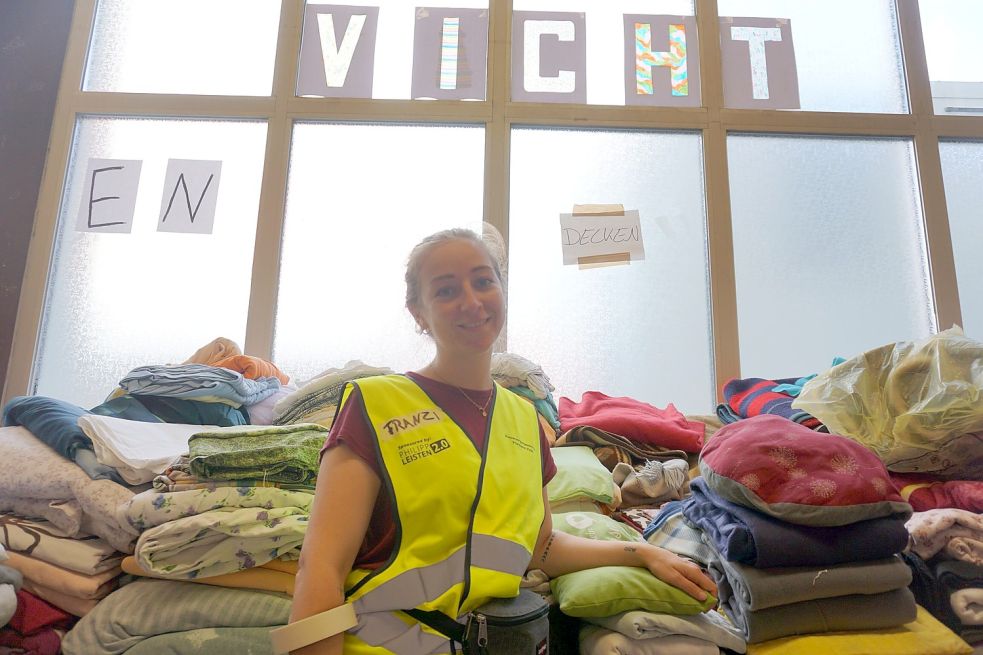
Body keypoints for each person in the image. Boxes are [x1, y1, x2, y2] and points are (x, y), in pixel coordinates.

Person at [286, 226, 716, 654]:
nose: (471, 302)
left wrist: (639, 554)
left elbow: (540, 547)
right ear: (418, 312)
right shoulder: (374, 403)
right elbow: (321, 566)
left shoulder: (524, 418)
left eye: (483, 281)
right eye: (446, 290)